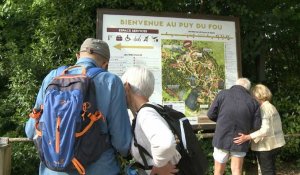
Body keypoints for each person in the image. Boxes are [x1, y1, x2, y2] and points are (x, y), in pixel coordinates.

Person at [25, 38, 132, 175]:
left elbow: (30, 130)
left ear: (77, 56)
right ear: (105, 64)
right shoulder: (111, 82)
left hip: (53, 170)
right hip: (100, 169)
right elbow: (122, 142)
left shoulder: (52, 77)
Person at [121, 66, 180, 175]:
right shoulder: (153, 108)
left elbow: (166, 143)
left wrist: (159, 166)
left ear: (127, 87)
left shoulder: (146, 114)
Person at [207, 78, 261, 175]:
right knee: (236, 170)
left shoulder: (222, 94)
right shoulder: (253, 101)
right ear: (247, 89)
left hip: (221, 137)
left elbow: (211, 114)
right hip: (241, 139)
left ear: (236, 84)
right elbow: (256, 125)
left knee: (218, 171)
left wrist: (221, 122)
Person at [233, 84, 286, 175]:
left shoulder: (263, 109)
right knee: (271, 170)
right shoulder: (270, 106)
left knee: (267, 171)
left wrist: (247, 137)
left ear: (256, 95)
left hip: (266, 146)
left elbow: (265, 129)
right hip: (275, 144)